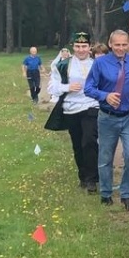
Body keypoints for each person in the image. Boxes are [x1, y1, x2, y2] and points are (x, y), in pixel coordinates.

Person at [83, 29, 129, 210]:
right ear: (110, 44)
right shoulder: (100, 63)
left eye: (124, 44)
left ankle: (127, 195)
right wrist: (105, 96)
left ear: (128, 44)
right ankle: (105, 193)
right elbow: (88, 88)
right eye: (117, 44)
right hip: (107, 117)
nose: (120, 48)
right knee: (105, 157)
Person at [47, 33, 99, 192]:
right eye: (78, 46)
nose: (81, 50)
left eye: (84, 46)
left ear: (89, 47)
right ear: (73, 47)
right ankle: (83, 175)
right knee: (78, 144)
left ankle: (92, 179)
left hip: (91, 106)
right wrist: (67, 88)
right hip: (70, 108)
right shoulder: (63, 65)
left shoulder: (97, 64)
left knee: (89, 141)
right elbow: (51, 87)